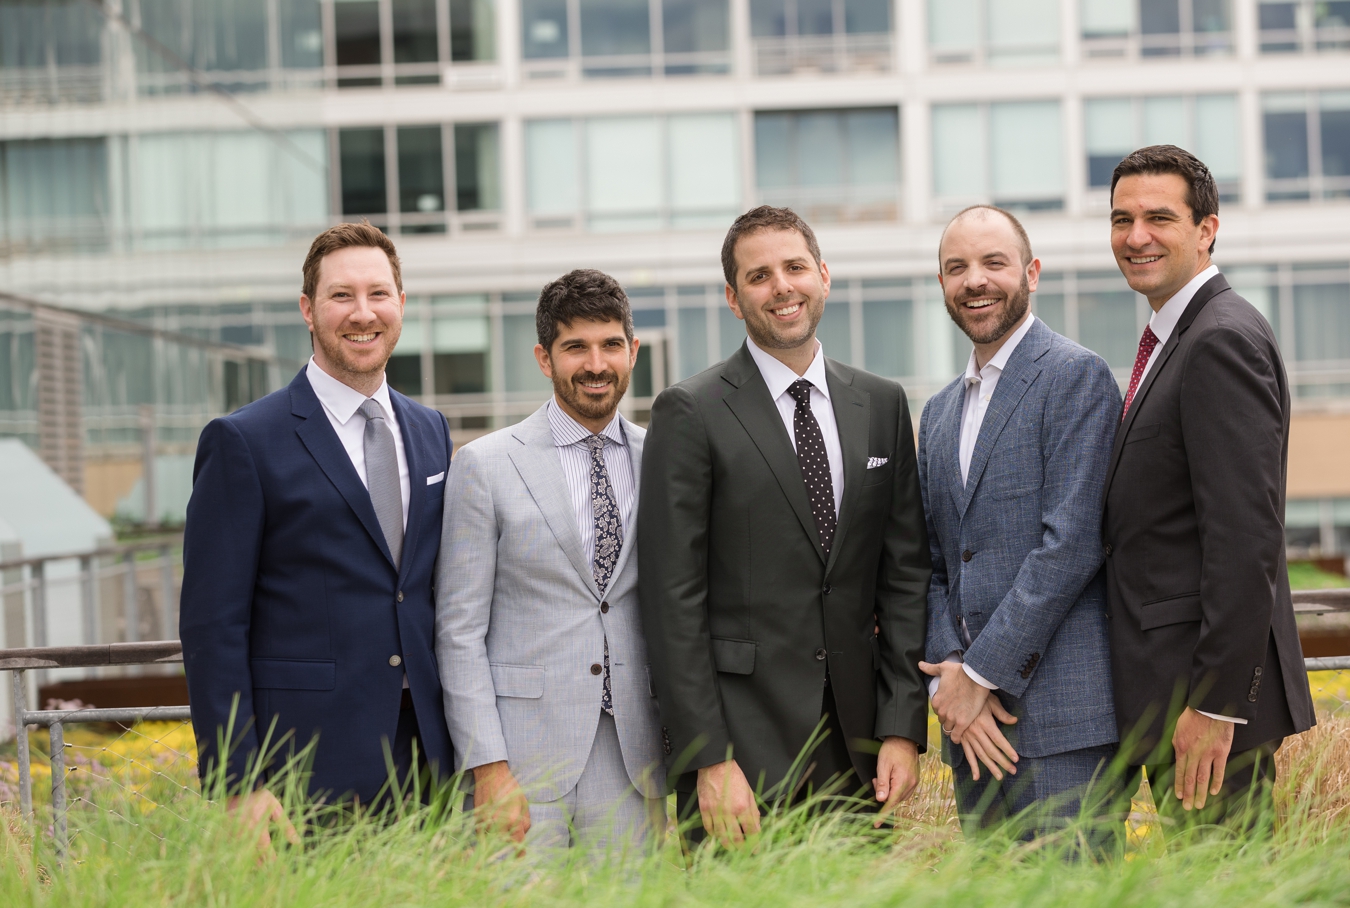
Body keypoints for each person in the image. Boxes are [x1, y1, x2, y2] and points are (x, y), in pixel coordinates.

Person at [637, 205, 931, 847]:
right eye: (759, 276)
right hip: (742, 753)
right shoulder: (690, 411)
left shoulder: (881, 405)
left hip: (858, 752)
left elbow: (905, 577)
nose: (782, 287)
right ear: (733, 297)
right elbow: (671, 600)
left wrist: (903, 728)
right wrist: (708, 758)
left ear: (823, 275)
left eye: (795, 267)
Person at [180, 222, 454, 837]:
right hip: (305, 769)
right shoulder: (244, 441)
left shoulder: (430, 429)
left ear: (401, 304)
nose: (363, 313)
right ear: (308, 309)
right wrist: (236, 782)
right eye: (341, 296)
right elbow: (212, 626)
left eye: (379, 294)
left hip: (430, 761)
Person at [1101, 145, 1315, 826]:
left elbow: (1246, 537)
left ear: (1206, 229)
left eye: (1158, 217)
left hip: (1205, 711)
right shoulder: (1178, 335)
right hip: (1176, 695)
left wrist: (1216, 705)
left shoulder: (1219, 340)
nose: (1136, 237)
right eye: (1121, 219)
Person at [435, 270, 665, 851]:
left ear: (632, 350)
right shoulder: (486, 464)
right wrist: (487, 764)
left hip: (632, 755)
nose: (596, 363)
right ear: (545, 358)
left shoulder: (663, 457)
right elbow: (459, 629)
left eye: (611, 344)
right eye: (575, 348)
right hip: (521, 757)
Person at [917, 206, 1123, 840]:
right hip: (970, 732)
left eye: (993, 263)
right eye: (957, 268)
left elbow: (1071, 547)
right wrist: (950, 680)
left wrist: (978, 677)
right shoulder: (938, 412)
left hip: (1061, 725)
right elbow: (934, 565)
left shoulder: (1075, 377)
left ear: (1031, 272)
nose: (975, 280)